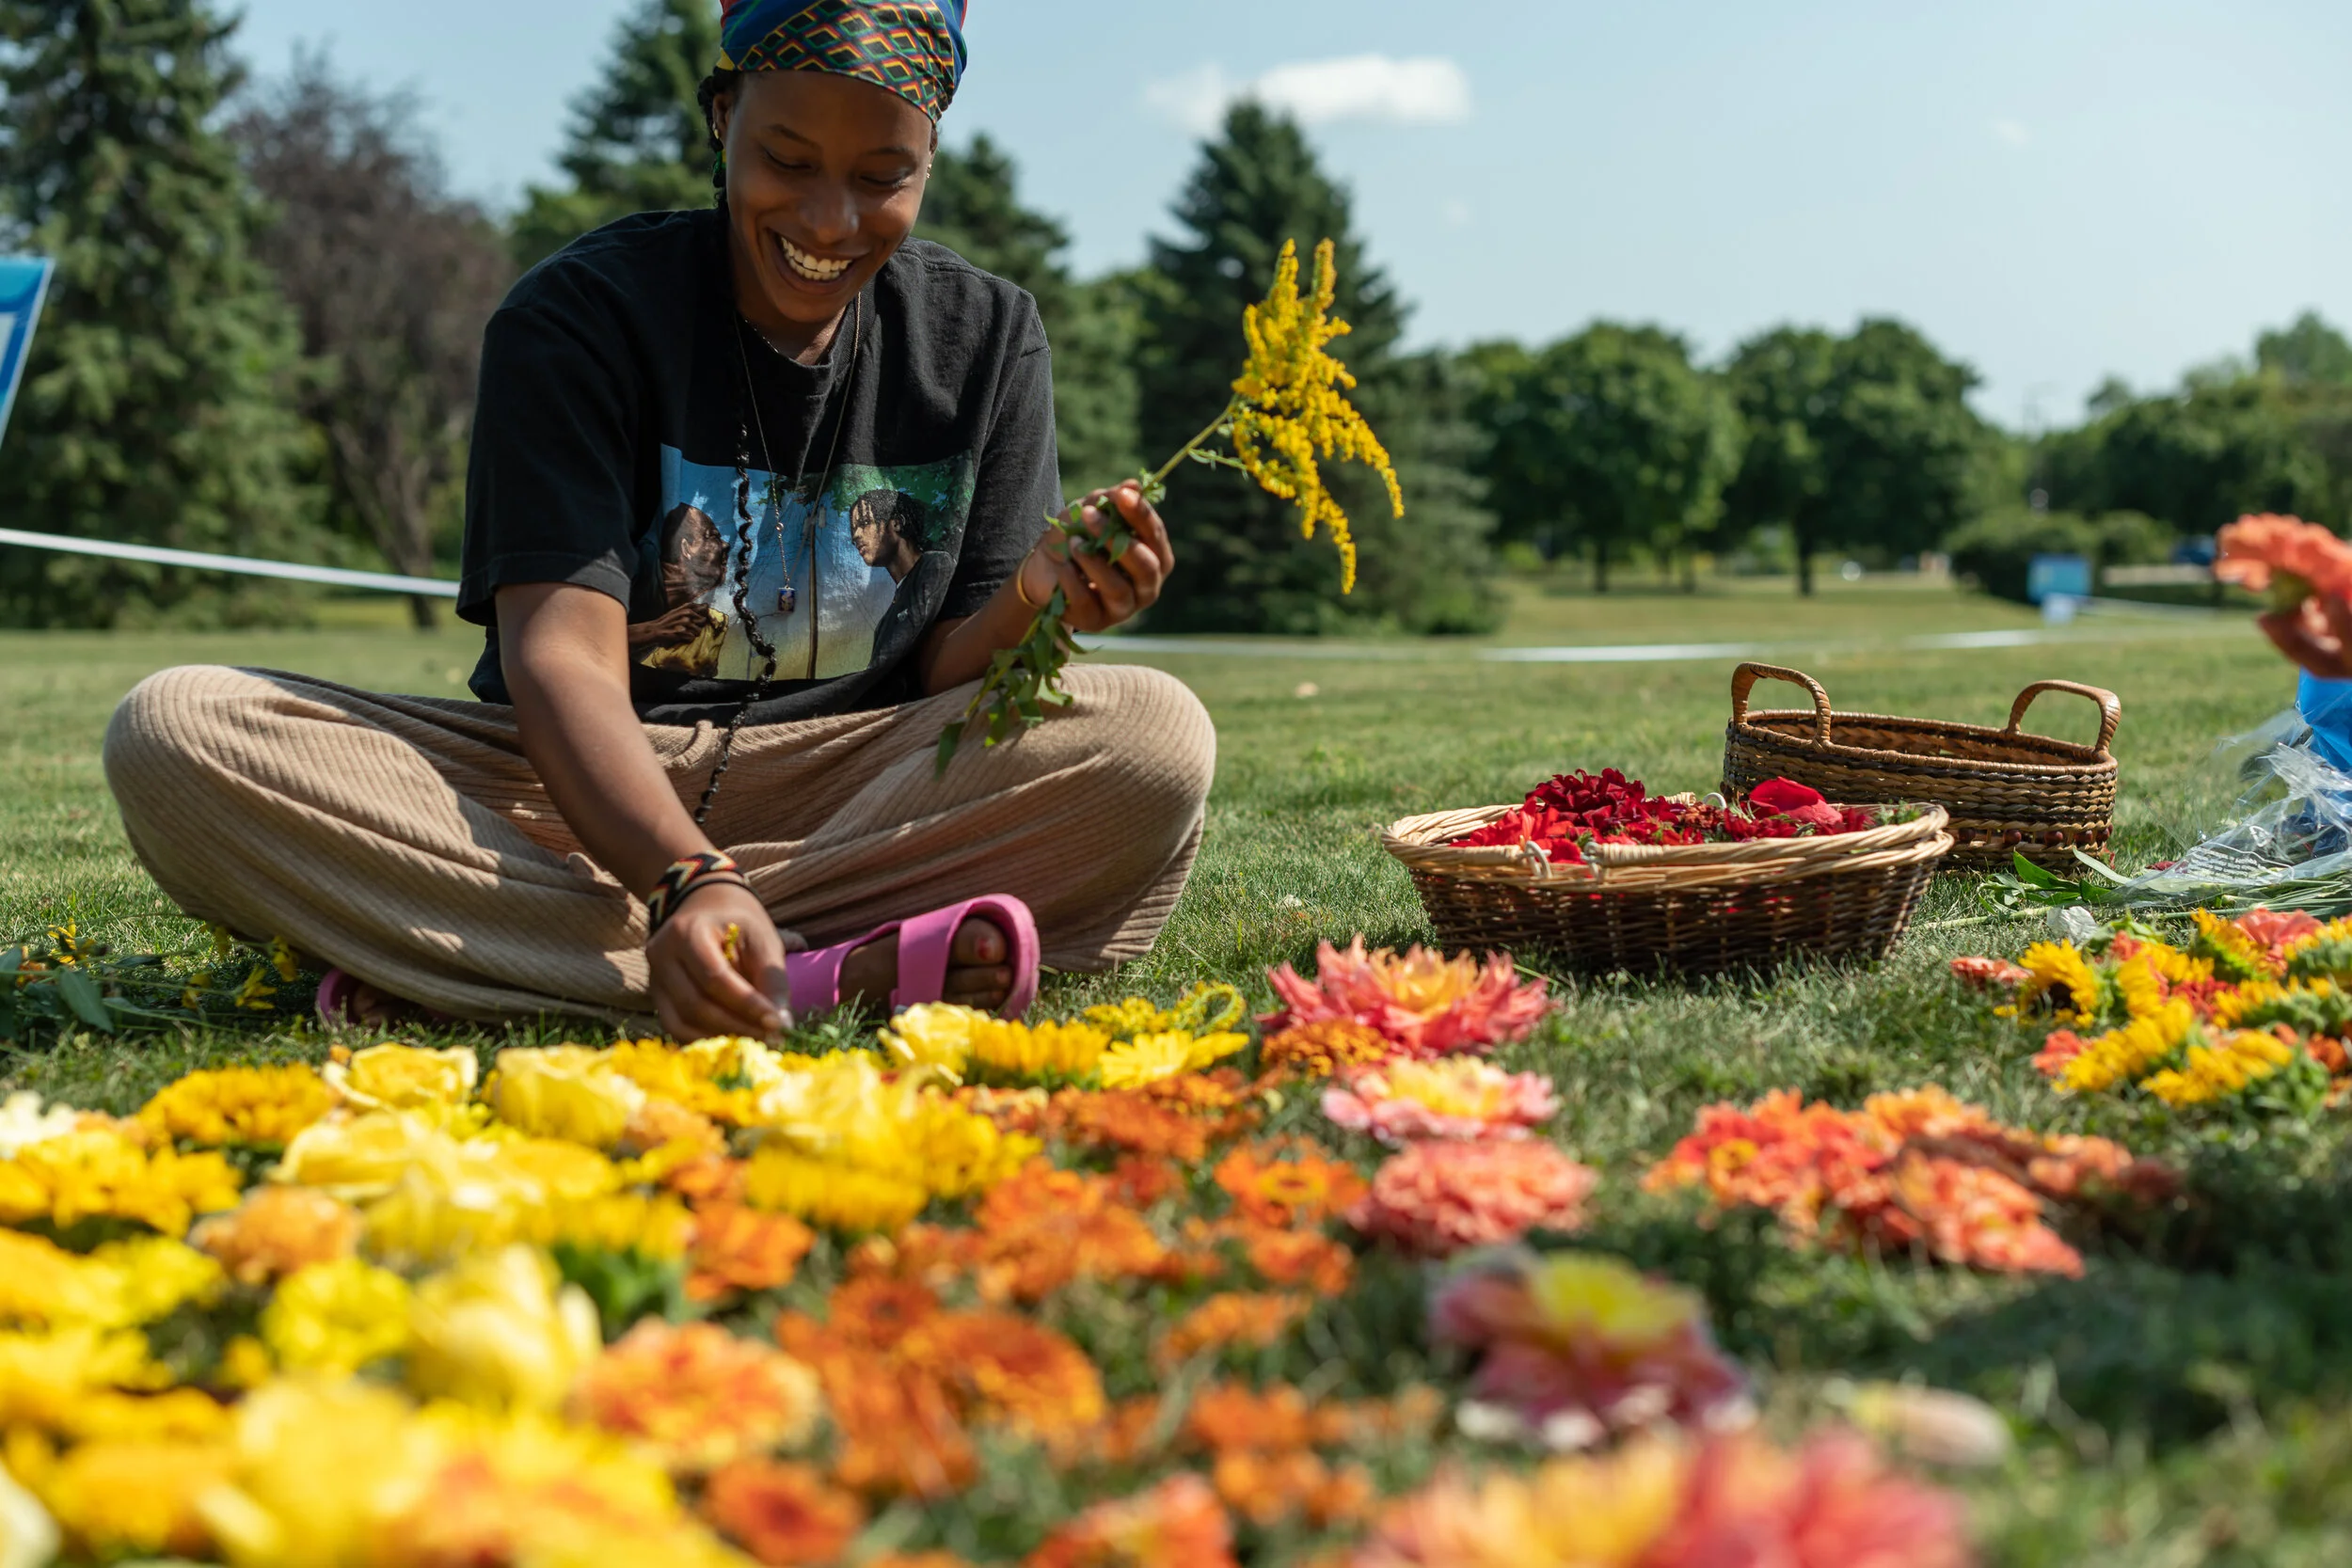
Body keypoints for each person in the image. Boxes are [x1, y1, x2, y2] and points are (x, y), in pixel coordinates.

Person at [101, 0, 1214, 1042]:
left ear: (929, 163)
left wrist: (1038, 601)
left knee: (1153, 738)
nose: (828, 220)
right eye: (786, 161)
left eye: (884, 176)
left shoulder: (988, 335)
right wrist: (688, 873)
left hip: (856, 781)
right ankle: (819, 966)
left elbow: (945, 677)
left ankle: (488, 962)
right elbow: (562, 660)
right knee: (178, 730)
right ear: (723, 119)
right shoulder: (577, 316)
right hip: (568, 786)